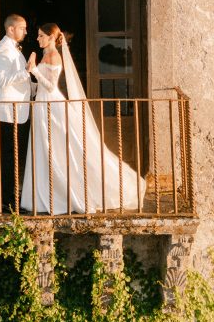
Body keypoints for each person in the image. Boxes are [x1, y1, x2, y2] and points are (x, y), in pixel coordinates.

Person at [20, 23, 144, 215]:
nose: (38, 39)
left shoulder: (54, 56)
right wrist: (31, 83)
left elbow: (52, 86)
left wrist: (34, 70)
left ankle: (65, 194)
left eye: (41, 36)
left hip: (52, 106)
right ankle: (45, 193)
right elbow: (43, 87)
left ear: (52, 38)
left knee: (60, 148)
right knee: (45, 148)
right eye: (38, 36)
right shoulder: (45, 55)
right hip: (43, 103)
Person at [0, 13, 36, 211]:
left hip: (20, 111)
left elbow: (20, 81)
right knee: (9, 159)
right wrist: (26, 70)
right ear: (11, 29)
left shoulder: (14, 50)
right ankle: (7, 202)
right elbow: (2, 81)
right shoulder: (2, 51)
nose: (26, 31)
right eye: (22, 27)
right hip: (9, 113)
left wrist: (35, 88)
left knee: (16, 158)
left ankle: (13, 198)